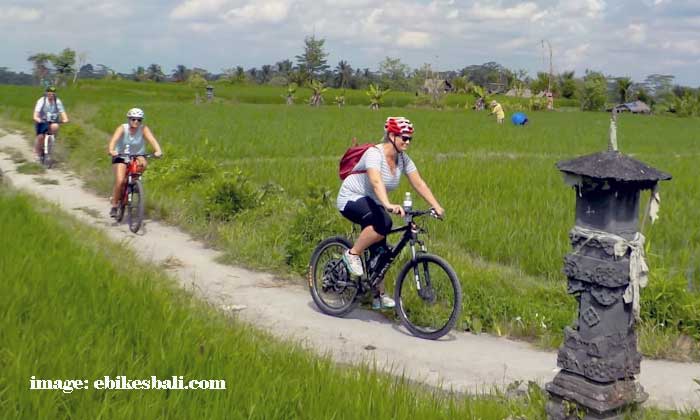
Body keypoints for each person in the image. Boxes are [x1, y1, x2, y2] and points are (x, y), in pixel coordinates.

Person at [336, 117, 444, 309]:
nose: (408, 142)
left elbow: (418, 183)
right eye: (404, 137)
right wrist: (387, 204)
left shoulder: (403, 159)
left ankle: (377, 295)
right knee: (383, 223)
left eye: (410, 138)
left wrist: (436, 205)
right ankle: (352, 254)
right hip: (351, 197)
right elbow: (376, 181)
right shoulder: (374, 154)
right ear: (392, 135)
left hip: (372, 202)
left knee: (381, 250)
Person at [107, 108, 163, 218]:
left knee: (144, 164)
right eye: (133, 119)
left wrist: (158, 150)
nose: (136, 122)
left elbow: (152, 140)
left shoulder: (143, 129)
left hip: (137, 155)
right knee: (120, 181)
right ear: (129, 119)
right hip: (120, 155)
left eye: (139, 120)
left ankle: (133, 182)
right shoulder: (122, 128)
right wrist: (111, 150)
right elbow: (113, 140)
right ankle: (114, 205)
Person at [32, 86, 69, 160]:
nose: (51, 94)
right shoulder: (42, 101)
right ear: (46, 93)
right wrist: (38, 119)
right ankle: (37, 152)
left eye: (53, 93)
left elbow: (63, 113)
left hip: (53, 121)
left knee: (55, 126)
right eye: (49, 92)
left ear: (55, 94)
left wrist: (65, 119)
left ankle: (50, 146)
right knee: (41, 137)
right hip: (42, 120)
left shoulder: (57, 101)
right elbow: (35, 115)